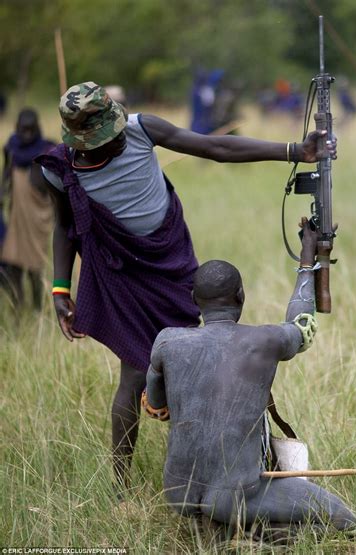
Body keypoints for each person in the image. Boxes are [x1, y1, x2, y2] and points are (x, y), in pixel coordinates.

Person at [33, 81, 336, 498]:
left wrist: (294, 151)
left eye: (116, 132)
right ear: (82, 143)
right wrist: (59, 288)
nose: (117, 141)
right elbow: (65, 230)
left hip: (170, 259)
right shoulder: (59, 169)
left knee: (194, 355)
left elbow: (217, 148)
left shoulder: (142, 129)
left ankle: (214, 460)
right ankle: (120, 486)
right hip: (121, 273)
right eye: (105, 140)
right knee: (135, 372)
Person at [143, 219, 356, 538]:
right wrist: (306, 258)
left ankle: (222, 528)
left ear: (194, 300)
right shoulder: (264, 341)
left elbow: (156, 408)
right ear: (241, 297)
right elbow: (302, 325)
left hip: (178, 493)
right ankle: (253, 535)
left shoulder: (166, 342)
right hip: (235, 495)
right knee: (345, 519)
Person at [0, 109, 54, 309]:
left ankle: (38, 310)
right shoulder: (11, 148)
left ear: (37, 128)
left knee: (34, 268)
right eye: (24, 130)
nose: (27, 135)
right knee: (14, 265)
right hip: (17, 217)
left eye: (31, 130)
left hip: (38, 217)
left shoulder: (47, 150)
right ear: (17, 128)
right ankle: (18, 309)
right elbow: (6, 176)